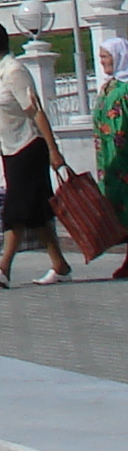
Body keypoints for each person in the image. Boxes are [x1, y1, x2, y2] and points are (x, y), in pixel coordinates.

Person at [0, 20, 72, 287]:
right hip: (11, 149)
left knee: (16, 209)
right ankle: (60, 264)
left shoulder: (15, 71)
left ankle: (4, 267)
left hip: (29, 147)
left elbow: (35, 110)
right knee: (36, 211)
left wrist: (53, 149)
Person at [93, 20, 128, 280]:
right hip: (110, 161)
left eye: (106, 57)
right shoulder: (108, 87)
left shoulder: (125, 89)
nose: (103, 61)